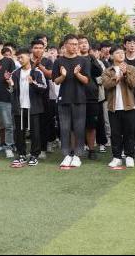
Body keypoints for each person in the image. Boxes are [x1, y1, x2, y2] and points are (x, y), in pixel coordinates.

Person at [54, 35, 92, 169]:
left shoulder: (83, 60)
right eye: (72, 44)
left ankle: (77, 155)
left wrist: (77, 74)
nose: (75, 46)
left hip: (79, 98)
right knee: (64, 128)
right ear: (65, 45)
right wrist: (63, 76)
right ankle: (66, 155)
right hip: (63, 98)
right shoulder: (58, 61)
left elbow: (86, 80)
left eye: (76, 44)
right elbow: (56, 81)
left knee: (79, 128)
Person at [102, 45, 135, 169]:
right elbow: (106, 85)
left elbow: (133, 83)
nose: (121, 55)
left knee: (129, 132)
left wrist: (125, 73)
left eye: (122, 53)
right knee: (115, 133)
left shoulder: (131, 68)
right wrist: (117, 78)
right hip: (113, 107)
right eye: (118, 53)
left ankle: (129, 156)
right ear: (112, 56)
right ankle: (117, 157)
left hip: (129, 106)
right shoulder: (108, 71)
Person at [9, 49, 47, 168]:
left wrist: (33, 83)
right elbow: (12, 90)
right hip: (19, 107)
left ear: (29, 56)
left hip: (33, 107)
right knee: (19, 133)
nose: (20, 60)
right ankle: (21, 154)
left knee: (35, 133)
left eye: (22, 57)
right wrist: (9, 84)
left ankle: (34, 155)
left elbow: (44, 87)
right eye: (18, 58)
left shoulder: (37, 72)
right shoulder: (15, 73)